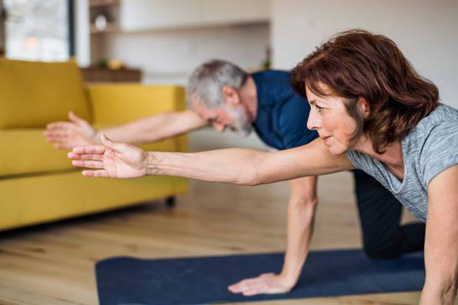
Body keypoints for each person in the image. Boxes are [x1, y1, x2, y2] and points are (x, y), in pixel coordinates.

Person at [60, 56, 425, 296]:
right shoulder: (246, 88)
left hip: (379, 154)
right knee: (382, 249)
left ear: (230, 94)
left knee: (383, 245)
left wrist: (286, 277)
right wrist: (99, 136)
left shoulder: (293, 111)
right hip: (351, 156)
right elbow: (170, 122)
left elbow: (304, 199)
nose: (217, 127)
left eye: (216, 118)